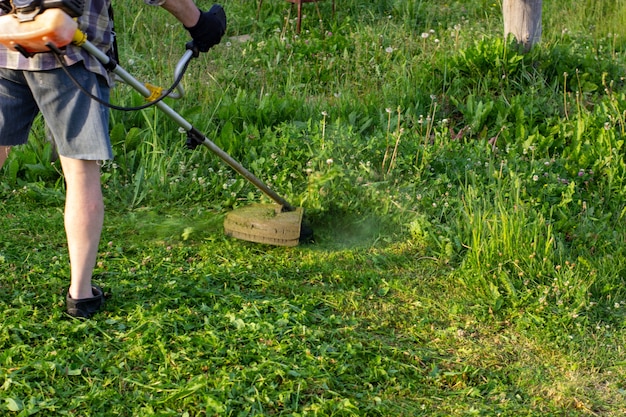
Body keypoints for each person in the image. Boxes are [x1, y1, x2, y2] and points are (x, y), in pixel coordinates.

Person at [0, 0, 226, 317]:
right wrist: (199, 22)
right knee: (80, 175)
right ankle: (80, 296)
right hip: (72, 54)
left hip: (7, 45)